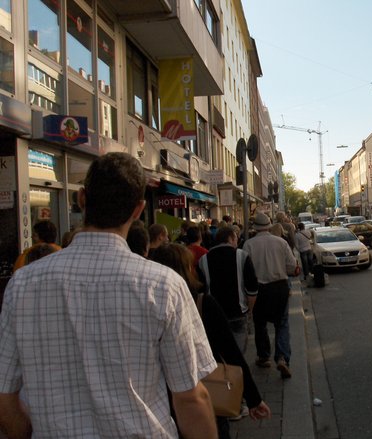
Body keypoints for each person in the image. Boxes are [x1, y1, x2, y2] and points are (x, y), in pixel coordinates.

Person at [0, 152, 218, 438]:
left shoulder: (23, 284)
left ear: (81, 198)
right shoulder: (163, 286)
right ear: (138, 210)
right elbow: (190, 397)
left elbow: (5, 395)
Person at [151, 243, 271, 439]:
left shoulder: (149, 305)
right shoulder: (203, 303)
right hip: (206, 393)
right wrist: (253, 398)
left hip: (161, 401)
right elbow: (231, 352)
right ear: (187, 269)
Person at [243, 213, 298, 379]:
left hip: (259, 289)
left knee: (260, 324)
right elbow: (291, 266)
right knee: (282, 324)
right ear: (269, 225)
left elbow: (246, 271)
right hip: (279, 287)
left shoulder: (248, 245)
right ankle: (282, 358)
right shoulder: (281, 242)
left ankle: (263, 356)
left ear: (255, 228)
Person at [198, 226, 258, 354]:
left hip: (215, 315)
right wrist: (250, 311)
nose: (237, 242)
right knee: (238, 355)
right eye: (236, 238)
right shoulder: (242, 256)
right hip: (238, 313)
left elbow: (201, 290)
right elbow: (252, 289)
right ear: (230, 238)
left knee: (219, 354)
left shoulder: (203, 260)